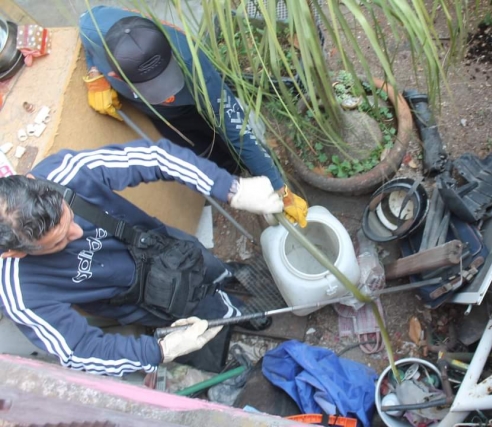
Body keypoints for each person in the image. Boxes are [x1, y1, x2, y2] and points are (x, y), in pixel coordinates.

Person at [0, 138, 285, 376]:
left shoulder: (63, 173)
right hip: (148, 299)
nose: (76, 232)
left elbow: (155, 157)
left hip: (164, 245)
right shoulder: (21, 292)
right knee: (212, 311)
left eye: (69, 217)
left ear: (31, 181)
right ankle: (236, 314)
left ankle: (227, 276)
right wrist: (160, 351)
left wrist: (231, 187)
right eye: (59, 241)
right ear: (14, 252)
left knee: (208, 263)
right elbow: (79, 351)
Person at [78, 5, 308, 227]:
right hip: (161, 116)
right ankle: (228, 173)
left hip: (191, 100)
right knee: (196, 144)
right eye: (154, 88)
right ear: (115, 72)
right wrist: (95, 74)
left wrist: (281, 190)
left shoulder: (194, 64)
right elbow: (87, 45)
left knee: (222, 135)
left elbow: (238, 130)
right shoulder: (93, 27)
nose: (167, 95)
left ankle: (242, 169)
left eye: (165, 80)